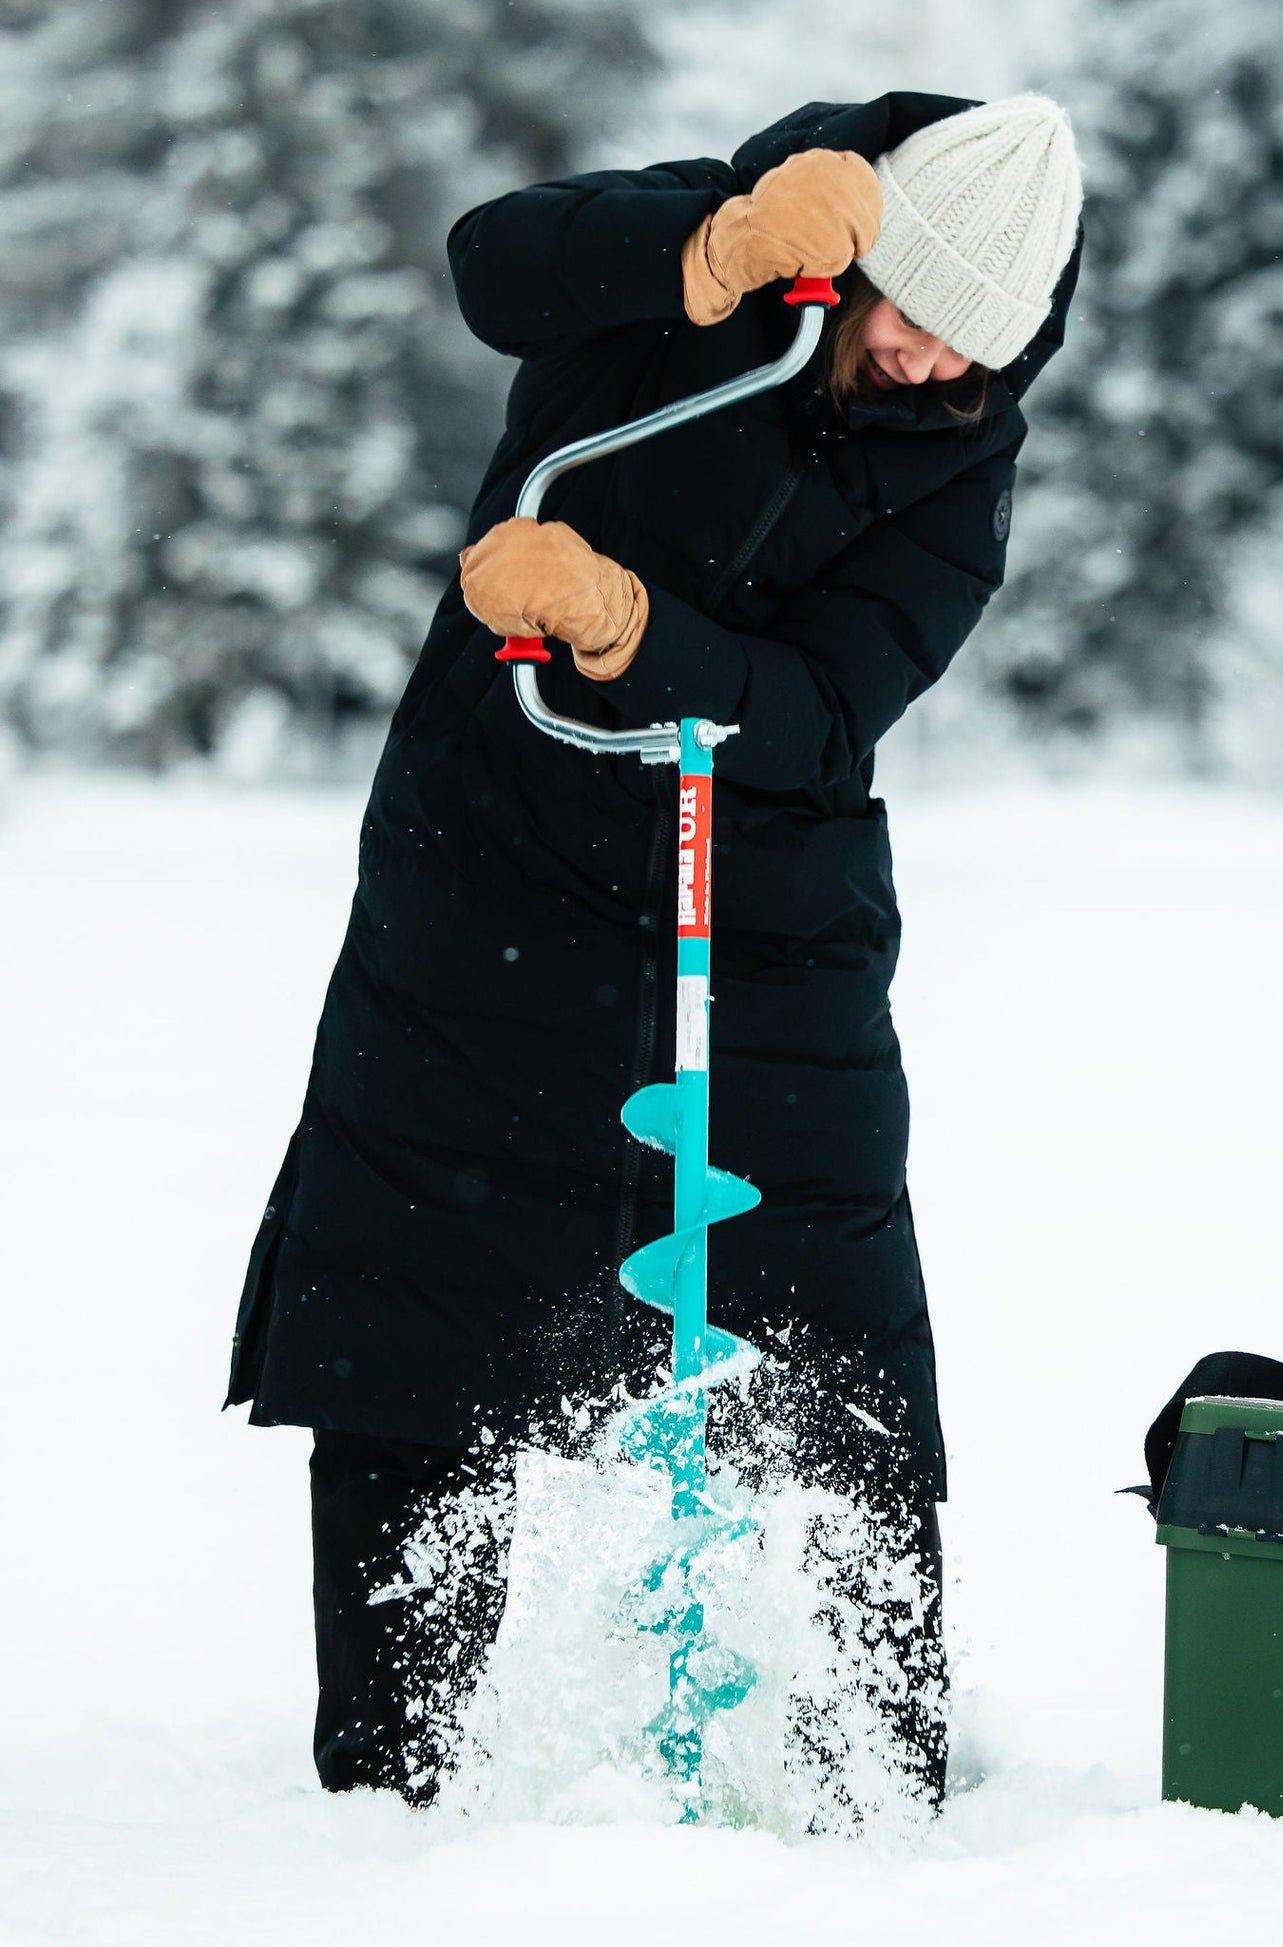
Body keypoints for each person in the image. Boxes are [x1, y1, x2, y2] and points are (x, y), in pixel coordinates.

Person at [225, 92, 1084, 1808]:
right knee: (421, 1282)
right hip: (492, 857)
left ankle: (864, 1752)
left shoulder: (961, 454)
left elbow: (830, 711)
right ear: (849, 266)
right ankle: (387, 1768)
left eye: (973, 351)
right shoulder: (716, 253)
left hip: (762, 899)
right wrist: (698, 252)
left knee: (819, 1308)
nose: (929, 367)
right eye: (912, 317)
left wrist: (636, 629)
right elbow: (494, 266)